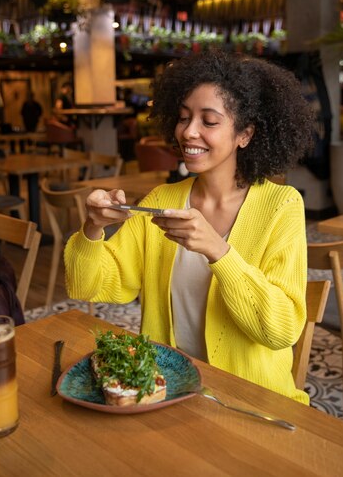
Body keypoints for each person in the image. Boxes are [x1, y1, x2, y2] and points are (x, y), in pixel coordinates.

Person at [64, 50, 315, 404]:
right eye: (183, 118)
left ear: (244, 134)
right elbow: (89, 285)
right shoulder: (162, 199)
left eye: (209, 121)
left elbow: (281, 330)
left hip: (252, 401)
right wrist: (93, 229)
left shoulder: (281, 206)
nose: (188, 132)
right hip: (170, 393)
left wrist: (218, 251)